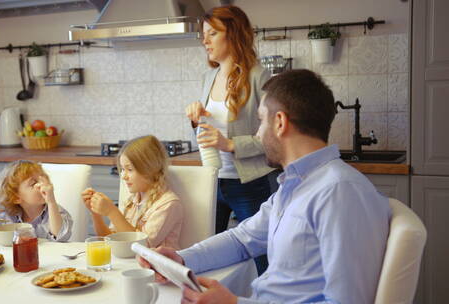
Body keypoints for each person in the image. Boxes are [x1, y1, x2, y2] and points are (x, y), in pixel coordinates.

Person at [141, 69, 392, 303]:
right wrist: (181, 259)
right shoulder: (295, 184)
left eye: (261, 121)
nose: (259, 134)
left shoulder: (340, 192)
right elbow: (242, 239)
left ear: (280, 122)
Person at [185, 5, 278, 274]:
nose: (205, 40)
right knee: (207, 254)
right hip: (212, 179)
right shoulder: (209, 77)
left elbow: (273, 137)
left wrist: (230, 145)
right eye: (204, 34)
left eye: (212, 33)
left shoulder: (258, 77)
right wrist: (195, 120)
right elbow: (206, 135)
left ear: (233, 33)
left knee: (262, 258)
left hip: (248, 183)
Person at [82, 135, 184, 249]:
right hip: (131, 264)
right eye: (122, 169)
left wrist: (112, 211)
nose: (123, 176)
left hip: (156, 266)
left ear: (149, 169)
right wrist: (96, 213)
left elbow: (141, 247)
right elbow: (110, 241)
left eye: (129, 169)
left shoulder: (168, 205)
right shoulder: (131, 202)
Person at [0, 160, 73, 242]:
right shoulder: (7, 219)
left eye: (43, 179)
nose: (42, 185)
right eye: (34, 183)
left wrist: (51, 202)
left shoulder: (57, 212)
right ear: (16, 198)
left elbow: (60, 237)